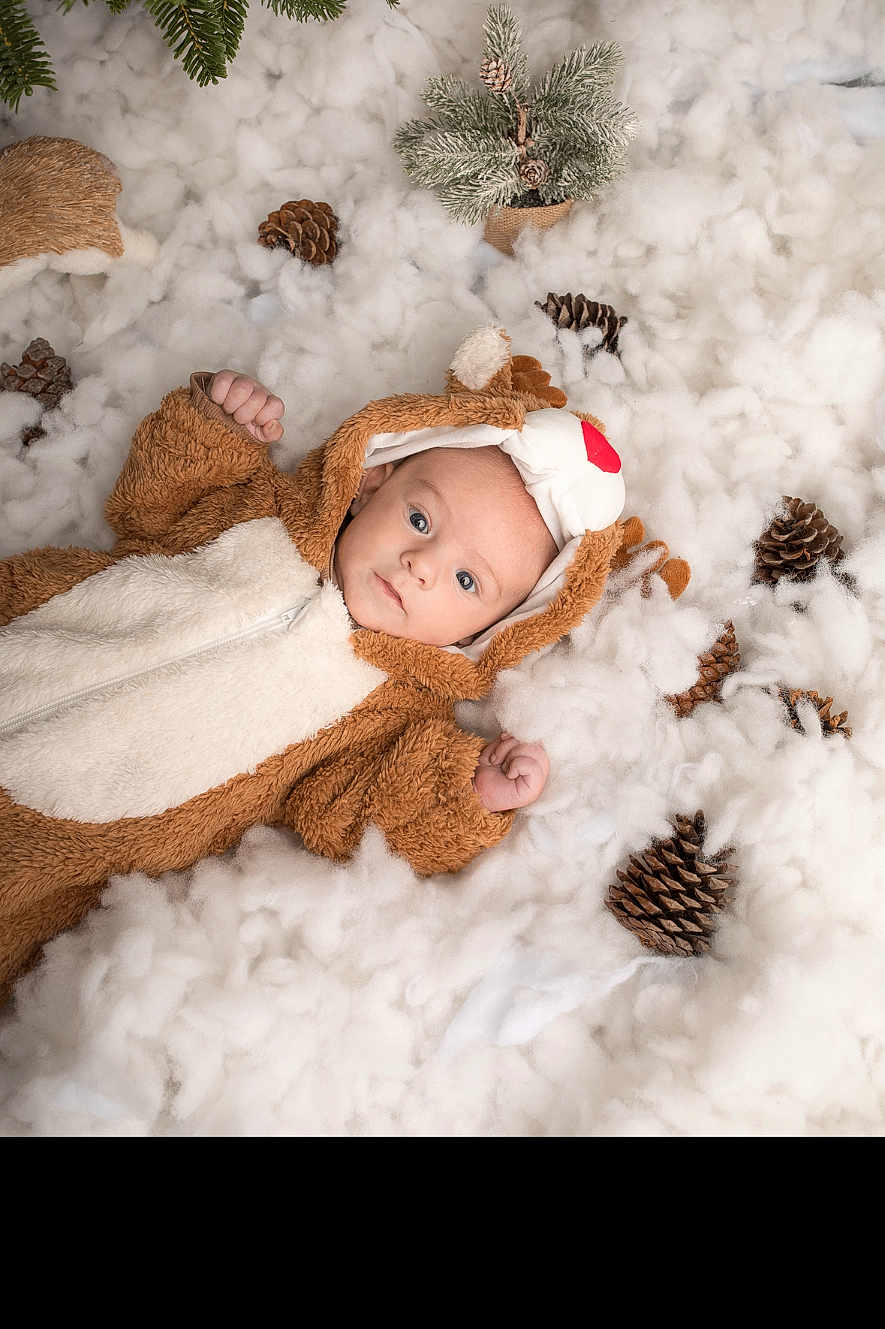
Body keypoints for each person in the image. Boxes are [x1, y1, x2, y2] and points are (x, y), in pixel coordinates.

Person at [0, 325, 688, 1002]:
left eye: (466, 582)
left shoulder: (387, 713)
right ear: (370, 485)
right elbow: (156, 505)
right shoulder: (261, 512)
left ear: (496, 630)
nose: (421, 567)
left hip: (48, 842)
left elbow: (352, 815)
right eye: (421, 521)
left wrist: (465, 792)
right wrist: (215, 424)